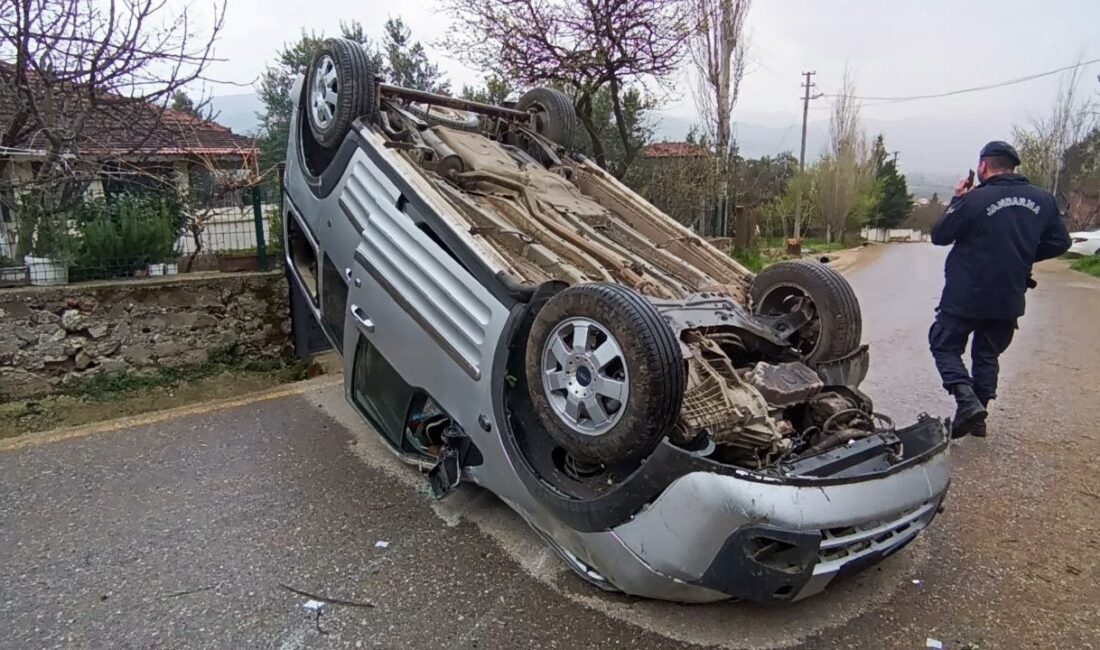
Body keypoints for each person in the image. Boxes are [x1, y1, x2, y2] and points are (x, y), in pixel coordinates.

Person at [929, 141, 1071, 438]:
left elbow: (940, 235)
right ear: (1012, 166)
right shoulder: (1043, 200)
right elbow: (1061, 242)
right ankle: (978, 419)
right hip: (1009, 295)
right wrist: (1022, 254)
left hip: (966, 296)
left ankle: (967, 400)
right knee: (987, 355)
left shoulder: (974, 199)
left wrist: (957, 199)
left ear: (982, 166)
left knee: (944, 344)